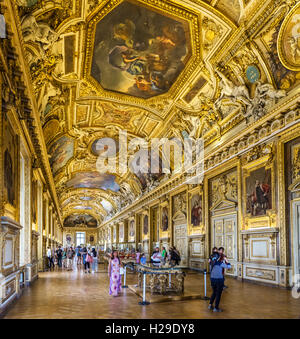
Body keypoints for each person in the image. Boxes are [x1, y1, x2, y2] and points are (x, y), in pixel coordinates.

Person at [208, 247, 231, 312]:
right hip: (219, 280)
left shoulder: (211, 263)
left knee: (214, 292)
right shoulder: (220, 263)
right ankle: (216, 308)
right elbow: (229, 266)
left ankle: (210, 305)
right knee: (218, 294)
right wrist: (226, 260)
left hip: (212, 279)